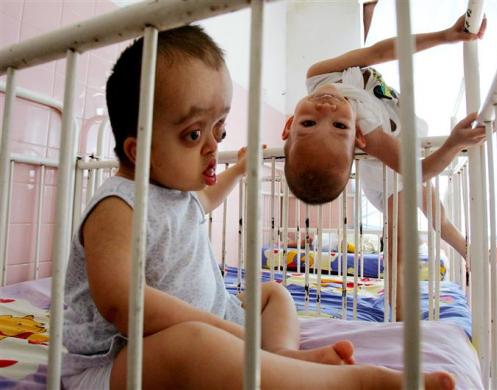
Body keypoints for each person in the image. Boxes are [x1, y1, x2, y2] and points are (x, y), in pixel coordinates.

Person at [61, 25, 455, 390]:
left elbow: (207, 201)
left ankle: (280, 357)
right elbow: (123, 304)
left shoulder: (178, 193)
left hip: (213, 321)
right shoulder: (117, 206)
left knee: (273, 293)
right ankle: (354, 382)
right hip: (120, 361)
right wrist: (223, 329)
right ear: (138, 150)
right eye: (194, 134)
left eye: (220, 130)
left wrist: (237, 171)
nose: (213, 146)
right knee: (193, 343)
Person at [282, 15, 487, 320]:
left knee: (434, 210)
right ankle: (404, 322)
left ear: (290, 124)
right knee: (400, 248)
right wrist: (453, 143)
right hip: (388, 174)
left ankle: (466, 249)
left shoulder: (319, 75)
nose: (325, 109)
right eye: (339, 126)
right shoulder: (368, 129)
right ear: (359, 138)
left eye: (309, 123)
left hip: (400, 151)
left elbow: (381, 51)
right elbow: (419, 170)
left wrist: (445, 36)